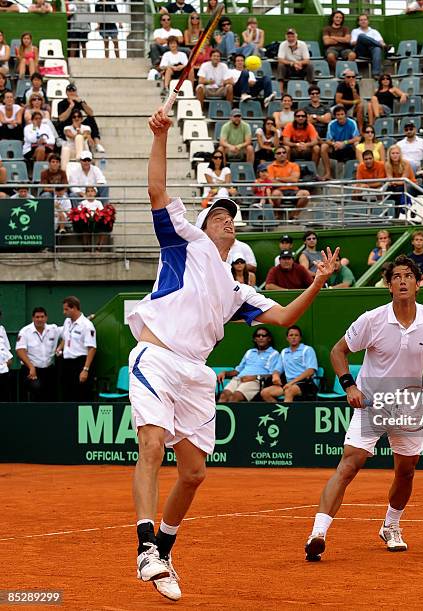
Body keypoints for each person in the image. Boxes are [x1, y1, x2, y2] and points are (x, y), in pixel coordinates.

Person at [128, 107, 338, 601]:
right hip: (156, 358)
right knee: (152, 446)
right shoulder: (186, 241)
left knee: (195, 474)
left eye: (231, 218)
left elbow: (285, 318)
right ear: (203, 225)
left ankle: (163, 549)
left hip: (197, 375)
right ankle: (143, 547)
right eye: (218, 216)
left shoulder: (238, 288)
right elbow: (157, 192)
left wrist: (319, 282)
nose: (227, 221)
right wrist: (160, 136)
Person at [304, 254, 423, 561]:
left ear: (418, 284)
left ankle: (391, 526)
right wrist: (349, 386)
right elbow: (338, 351)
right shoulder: (372, 319)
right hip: (372, 405)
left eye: (408, 276)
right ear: (388, 285)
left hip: (410, 407)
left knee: (406, 471)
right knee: (350, 464)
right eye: (396, 277)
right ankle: (317, 533)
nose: (402, 281)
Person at [217, 329, 280, 402]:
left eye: (264, 335)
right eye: (258, 336)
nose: (261, 338)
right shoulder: (249, 352)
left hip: (255, 381)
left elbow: (272, 375)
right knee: (223, 396)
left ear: (269, 339)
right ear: (255, 339)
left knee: (234, 398)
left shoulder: (274, 354)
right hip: (239, 379)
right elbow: (237, 371)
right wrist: (224, 373)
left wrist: (254, 377)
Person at [260, 326, 319, 402]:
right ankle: (279, 411)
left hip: (307, 384)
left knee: (289, 391)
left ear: (300, 338)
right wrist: (275, 376)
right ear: (287, 338)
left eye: (296, 335)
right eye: (291, 335)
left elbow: (311, 370)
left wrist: (292, 382)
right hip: (288, 384)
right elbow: (277, 369)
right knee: (265, 393)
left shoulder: (307, 350)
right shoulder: (284, 352)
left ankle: (288, 413)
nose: (293, 337)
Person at [15, 307, 60, 401]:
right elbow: (20, 350)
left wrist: (60, 347)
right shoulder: (25, 331)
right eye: (37, 317)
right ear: (33, 318)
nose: (40, 319)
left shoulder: (53, 329)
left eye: (42, 317)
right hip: (31, 369)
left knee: (51, 396)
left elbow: (67, 333)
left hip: (49, 369)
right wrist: (31, 367)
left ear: (46, 318)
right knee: (36, 390)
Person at [56, 296, 96, 401]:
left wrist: (85, 370)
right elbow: (65, 338)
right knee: (67, 394)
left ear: (74, 308)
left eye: (66, 309)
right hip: (66, 363)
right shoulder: (67, 322)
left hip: (80, 363)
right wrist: (60, 348)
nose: (64, 312)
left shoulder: (87, 325)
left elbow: (92, 348)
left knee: (81, 395)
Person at [57, 83, 105, 154]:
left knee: (91, 119)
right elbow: (61, 118)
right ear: (66, 92)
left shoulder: (79, 101)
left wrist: (81, 102)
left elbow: (91, 113)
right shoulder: (61, 103)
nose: (71, 92)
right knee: (61, 123)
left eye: (73, 91)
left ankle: (97, 143)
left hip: (79, 123)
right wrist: (71, 106)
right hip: (67, 124)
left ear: (76, 92)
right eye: (69, 91)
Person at [266, 145, 310, 219]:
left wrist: (278, 178)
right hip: (279, 190)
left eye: (284, 152)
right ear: (275, 156)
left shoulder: (294, 165)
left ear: (286, 154)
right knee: (275, 194)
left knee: (305, 194)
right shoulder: (270, 167)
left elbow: (295, 179)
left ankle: (294, 215)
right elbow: (272, 182)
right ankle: (278, 213)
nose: (282, 154)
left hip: (294, 189)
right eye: (279, 153)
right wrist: (288, 180)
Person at [320, 105, 360, 181]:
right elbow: (328, 140)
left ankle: (358, 171)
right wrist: (334, 144)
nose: (340, 117)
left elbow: (357, 138)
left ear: (345, 115)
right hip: (336, 146)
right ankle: (328, 173)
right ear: (335, 116)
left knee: (357, 144)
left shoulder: (352, 122)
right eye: (338, 115)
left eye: (342, 114)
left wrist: (344, 143)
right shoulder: (331, 124)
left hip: (349, 146)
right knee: (324, 146)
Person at [277, 28, 314, 93]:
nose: (291, 39)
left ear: (296, 36)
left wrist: (299, 63)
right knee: (281, 65)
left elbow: (307, 60)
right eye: (289, 37)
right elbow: (280, 59)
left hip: (300, 67)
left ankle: (310, 87)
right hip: (289, 68)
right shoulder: (283, 44)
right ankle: (281, 90)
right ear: (286, 37)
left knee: (310, 65)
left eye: (292, 36)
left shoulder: (303, 44)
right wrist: (293, 64)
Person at [385, 144, 417, 218]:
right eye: (393, 153)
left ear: (400, 154)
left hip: (409, 184)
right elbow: (390, 178)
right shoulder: (387, 164)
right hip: (395, 185)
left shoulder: (406, 163)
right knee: (389, 191)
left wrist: (393, 182)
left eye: (397, 153)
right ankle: (390, 214)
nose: (395, 155)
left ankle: (400, 212)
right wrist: (393, 182)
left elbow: (404, 180)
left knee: (398, 189)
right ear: (389, 155)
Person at [350, 14, 386, 78]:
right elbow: (352, 43)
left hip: (371, 52)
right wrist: (363, 40)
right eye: (361, 20)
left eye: (365, 20)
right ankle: (380, 46)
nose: (363, 21)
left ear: (368, 21)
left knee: (377, 49)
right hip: (360, 51)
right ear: (358, 22)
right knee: (361, 36)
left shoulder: (374, 31)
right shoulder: (355, 31)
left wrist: (381, 44)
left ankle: (376, 74)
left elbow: (382, 42)